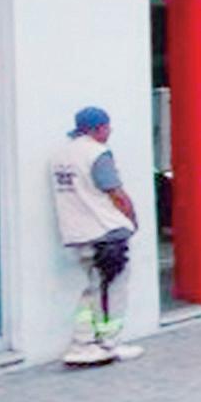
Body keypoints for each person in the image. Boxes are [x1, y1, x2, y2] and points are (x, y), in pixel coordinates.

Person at [50, 107, 142, 366]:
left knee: (92, 289)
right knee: (113, 290)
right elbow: (116, 194)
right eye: (107, 126)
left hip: (78, 233)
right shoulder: (97, 154)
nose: (110, 131)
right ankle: (110, 342)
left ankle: (83, 343)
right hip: (106, 232)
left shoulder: (60, 155)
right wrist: (132, 219)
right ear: (98, 128)